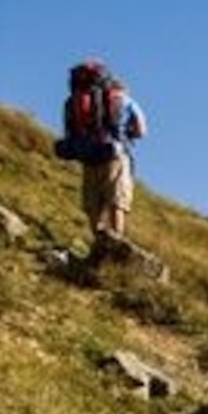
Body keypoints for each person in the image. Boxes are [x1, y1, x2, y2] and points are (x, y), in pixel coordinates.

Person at [63, 59, 148, 263]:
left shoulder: (72, 102)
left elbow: (69, 132)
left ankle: (98, 242)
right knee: (116, 201)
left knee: (93, 204)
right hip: (115, 155)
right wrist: (127, 134)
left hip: (89, 157)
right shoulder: (124, 100)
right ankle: (115, 244)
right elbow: (141, 130)